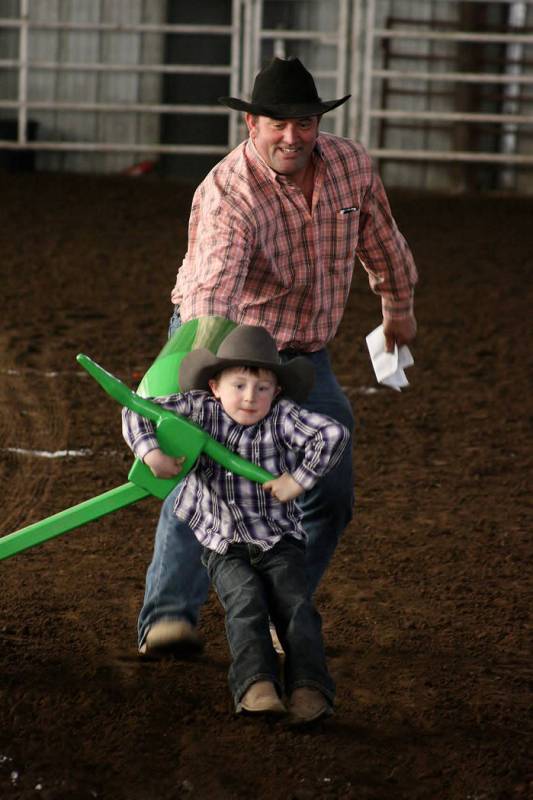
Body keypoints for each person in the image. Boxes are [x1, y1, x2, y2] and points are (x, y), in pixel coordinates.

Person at [138, 56, 418, 659]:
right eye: (276, 123)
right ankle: (168, 616)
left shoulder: (350, 167)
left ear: (319, 123)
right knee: (203, 468)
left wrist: (398, 307)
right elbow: (213, 289)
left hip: (304, 355)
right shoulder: (227, 193)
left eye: (305, 122)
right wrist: (200, 378)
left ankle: (277, 609)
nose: (291, 136)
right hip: (225, 342)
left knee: (330, 485)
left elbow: (382, 241)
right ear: (252, 126)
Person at [123, 324, 349, 723]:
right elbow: (135, 409)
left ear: (277, 391)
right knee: (245, 603)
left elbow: (332, 433)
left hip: (279, 539)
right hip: (223, 543)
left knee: (296, 608)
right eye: (239, 385)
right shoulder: (200, 408)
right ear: (214, 385)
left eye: (262, 388)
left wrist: (299, 480)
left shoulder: (282, 417)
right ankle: (255, 686)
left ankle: (310, 690)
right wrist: (152, 455)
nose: (250, 397)